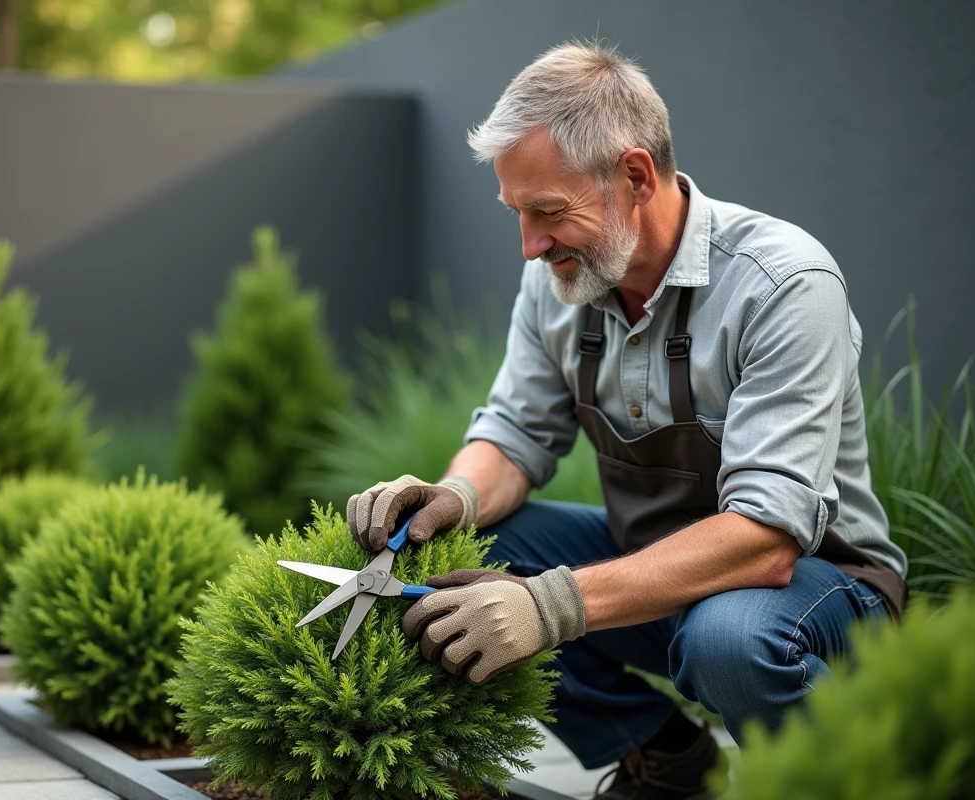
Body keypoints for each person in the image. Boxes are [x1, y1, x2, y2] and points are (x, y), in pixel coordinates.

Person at [346, 41, 908, 800]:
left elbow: (769, 540)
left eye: (547, 212)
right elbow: (515, 432)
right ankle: (671, 759)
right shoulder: (559, 282)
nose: (530, 245)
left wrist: (550, 608)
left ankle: (841, 780)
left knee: (729, 640)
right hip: (654, 568)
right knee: (461, 550)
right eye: (517, 214)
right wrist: (454, 497)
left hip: (820, 590)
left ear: (636, 176)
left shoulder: (782, 285)